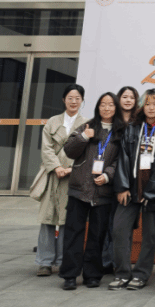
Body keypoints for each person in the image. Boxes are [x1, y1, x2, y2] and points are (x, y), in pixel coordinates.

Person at [109, 89, 155, 291]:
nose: (151, 108)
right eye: (147, 104)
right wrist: (122, 186)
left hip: (153, 193)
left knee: (150, 236)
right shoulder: (132, 128)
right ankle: (122, 274)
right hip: (130, 189)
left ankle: (140, 274)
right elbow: (123, 158)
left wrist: (151, 192)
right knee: (119, 229)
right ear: (141, 106)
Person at [59, 92, 124, 289]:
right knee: (73, 233)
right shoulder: (87, 126)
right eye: (103, 104)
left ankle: (92, 274)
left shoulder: (121, 131)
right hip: (79, 188)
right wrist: (83, 138)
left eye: (110, 104)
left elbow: (121, 160)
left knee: (97, 234)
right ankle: (70, 275)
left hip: (103, 191)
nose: (106, 108)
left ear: (116, 108)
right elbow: (69, 151)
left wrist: (108, 175)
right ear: (98, 107)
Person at [36, 84, 88, 276]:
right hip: (53, 175)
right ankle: (44, 262)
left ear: (82, 101)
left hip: (74, 177)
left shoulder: (87, 123)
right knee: (48, 218)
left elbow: (88, 152)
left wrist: (70, 169)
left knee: (68, 219)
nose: (73, 101)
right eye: (70, 98)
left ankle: (63, 260)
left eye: (77, 98)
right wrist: (57, 167)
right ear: (64, 100)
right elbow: (46, 148)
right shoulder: (52, 121)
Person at [102, 86, 139, 275]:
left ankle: (121, 262)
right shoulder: (112, 120)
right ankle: (106, 261)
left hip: (128, 181)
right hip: (107, 178)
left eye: (131, 97)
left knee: (124, 224)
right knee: (108, 222)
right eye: (124, 96)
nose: (128, 100)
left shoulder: (138, 122)